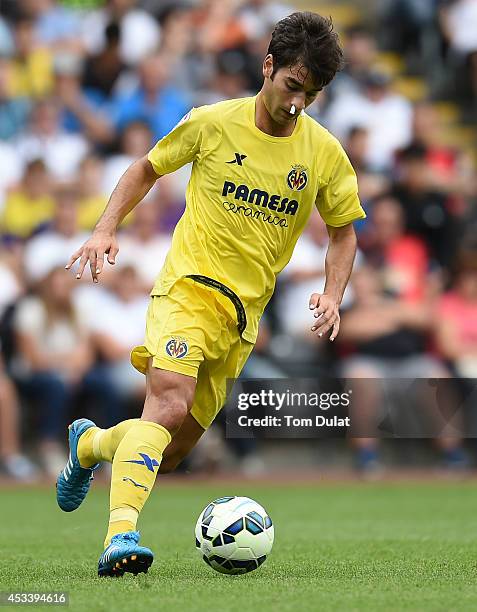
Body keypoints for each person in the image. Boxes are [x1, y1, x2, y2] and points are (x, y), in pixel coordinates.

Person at [58, 12, 365, 577]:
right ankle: (119, 537)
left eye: (312, 94)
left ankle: (91, 446)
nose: (299, 103)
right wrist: (105, 228)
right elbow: (145, 169)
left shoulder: (323, 154)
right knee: (168, 400)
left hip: (243, 317)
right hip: (189, 288)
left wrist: (332, 292)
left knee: (168, 453)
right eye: (293, 86)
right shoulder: (213, 123)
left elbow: (343, 231)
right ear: (268, 67)